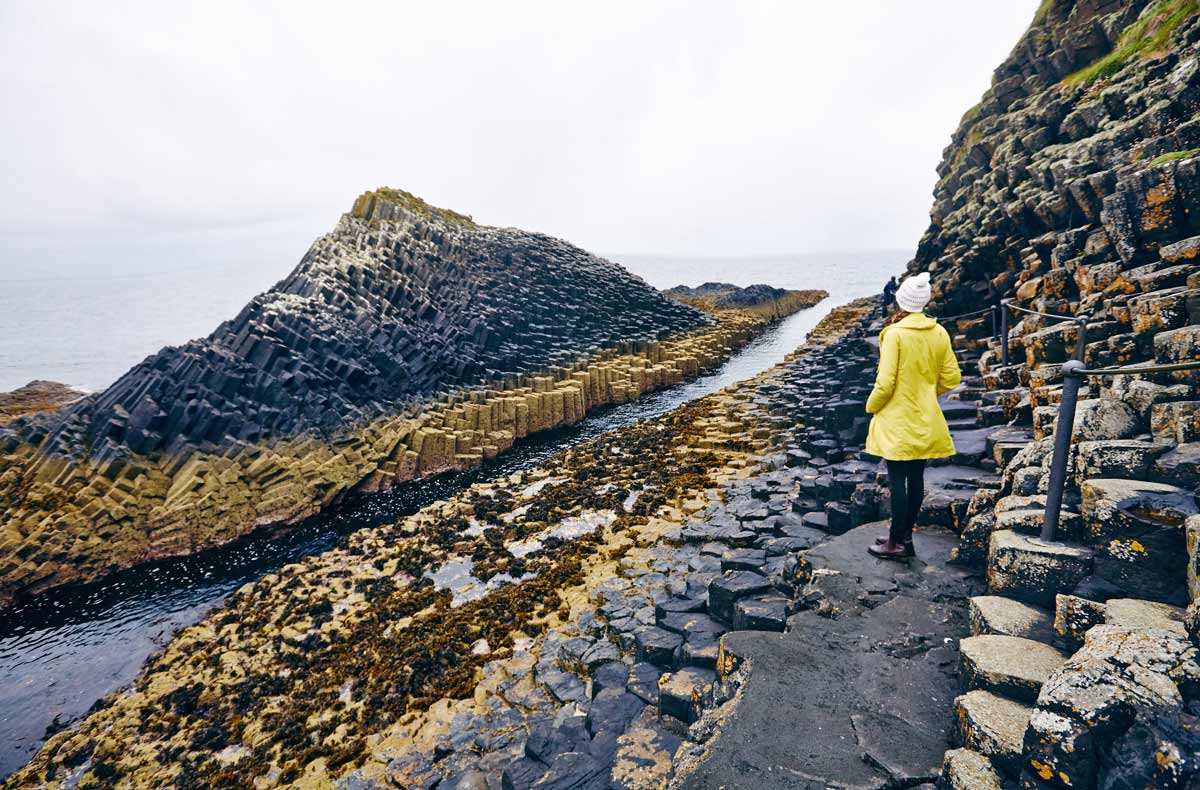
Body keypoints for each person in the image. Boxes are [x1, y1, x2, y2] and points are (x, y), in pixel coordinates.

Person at [864, 272, 961, 560]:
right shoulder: (938, 331)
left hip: (898, 418)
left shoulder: (895, 334)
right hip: (925, 416)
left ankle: (897, 543)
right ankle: (904, 536)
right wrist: (927, 392)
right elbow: (952, 376)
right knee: (916, 477)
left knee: (896, 479)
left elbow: (885, 384)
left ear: (901, 301)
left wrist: (872, 406)